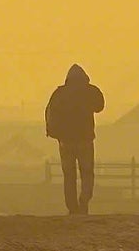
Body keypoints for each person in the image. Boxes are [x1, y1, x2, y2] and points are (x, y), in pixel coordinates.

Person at [44, 64, 105, 215]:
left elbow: (50, 114)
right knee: (87, 173)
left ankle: (72, 208)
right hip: (85, 139)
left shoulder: (59, 93)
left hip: (65, 141)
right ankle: (84, 201)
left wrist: (54, 133)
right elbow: (100, 106)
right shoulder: (90, 91)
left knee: (69, 176)